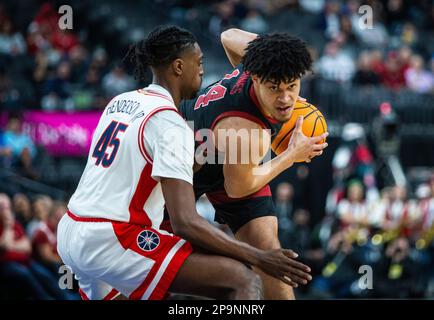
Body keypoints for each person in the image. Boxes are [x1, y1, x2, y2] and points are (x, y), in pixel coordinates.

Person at [57, 25, 312, 301]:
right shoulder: (173, 125)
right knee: (242, 281)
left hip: (72, 229)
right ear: (179, 67)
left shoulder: (120, 101)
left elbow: (228, 35)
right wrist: (259, 258)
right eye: (199, 63)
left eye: (291, 87)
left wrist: (277, 55)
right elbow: (187, 223)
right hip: (115, 237)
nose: (203, 71)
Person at [179, 28, 328, 299]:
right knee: (154, 262)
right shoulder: (248, 130)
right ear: (255, 78)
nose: (285, 99)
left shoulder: (263, 60)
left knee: (270, 253)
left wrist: (271, 57)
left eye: (291, 86)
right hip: (186, 166)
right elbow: (238, 188)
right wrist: (290, 155)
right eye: (275, 88)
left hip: (227, 154)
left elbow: (228, 35)